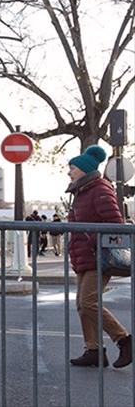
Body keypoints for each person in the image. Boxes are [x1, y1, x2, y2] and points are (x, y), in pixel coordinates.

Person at [65, 145, 132, 368]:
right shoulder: (81, 191)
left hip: (98, 256)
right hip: (83, 256)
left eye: (72, 168)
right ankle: (93, 350)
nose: (69, 172)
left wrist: (91, 240)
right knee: (81, 304)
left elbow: (115, 223)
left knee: (89, 302)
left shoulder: (100, 189)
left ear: (84, 169)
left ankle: (124, 340)